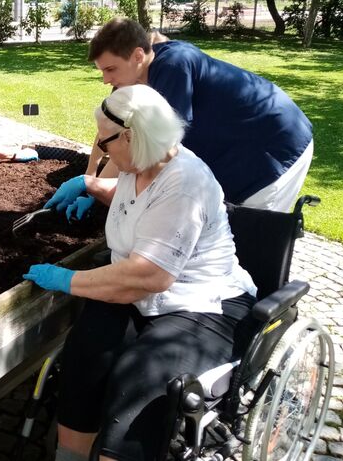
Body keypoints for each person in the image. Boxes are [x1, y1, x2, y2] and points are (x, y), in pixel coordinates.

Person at [26, 85, 257, 461]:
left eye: (105, 142)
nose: (101, 150)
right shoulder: (142, 164)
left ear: (133, 136)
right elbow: (136, 195)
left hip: (200, 303)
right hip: (140, 296)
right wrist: (89, 185)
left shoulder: (186, 184)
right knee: (85, 355)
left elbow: (148, 277)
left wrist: (66, 279)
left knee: (141, 383)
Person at [81, 17, 313, 213]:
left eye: (110, 69)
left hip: (275, 147)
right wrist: (91, 178)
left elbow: (153, 148)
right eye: (102, 71)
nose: (105, 80)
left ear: (138, 56)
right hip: (240, 147)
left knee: (246, 235)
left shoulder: (174, 66)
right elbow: (112, 133)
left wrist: (98, 187)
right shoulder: (130, 79)